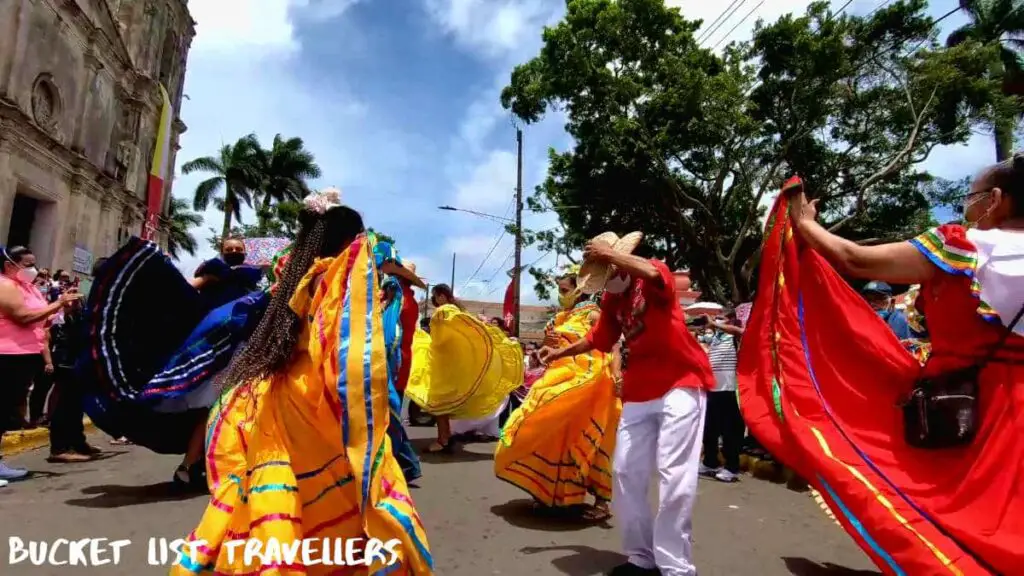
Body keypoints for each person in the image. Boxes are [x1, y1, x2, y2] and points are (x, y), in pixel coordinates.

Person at [740, 166, 1024, 575]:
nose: (968, 207)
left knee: (937, 510)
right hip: (1011, 408)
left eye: (972, 196)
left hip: (967, 406)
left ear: (995, 199)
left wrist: (803, 225)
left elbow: (854, 258)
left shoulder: (964, 247)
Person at [171, 188, 432, 575]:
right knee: (343, 490)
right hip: (317, 395)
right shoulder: (344, 273)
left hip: (279, 393)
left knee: (277, 489)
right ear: (349, 238)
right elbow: (349, 349)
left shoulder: (290, 271)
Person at [538, 232, 714, 576]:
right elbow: (598, 339)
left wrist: (611, 254)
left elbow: (652, 273)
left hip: (682, 381)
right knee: (624, 472)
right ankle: (641, 558)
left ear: (621, 266)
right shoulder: (611, 302)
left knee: (673, 474)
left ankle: (675, 567)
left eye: (609, 273)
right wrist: (559, 352)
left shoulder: (651, 275)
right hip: (639, 390)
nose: (605, 285)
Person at [80, 234, 269, 489]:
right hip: (213, 350)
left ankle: (205, 465)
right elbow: (184, 293)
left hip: (241, 348)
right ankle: (191, 467)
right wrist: (205, 281)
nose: (235, 251)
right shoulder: (214, 274)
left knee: (232, 407)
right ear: (222, 251)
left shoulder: (254, 281)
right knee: (216, 406)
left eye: (238, 249)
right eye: (230, 248)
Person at [495, 271, 621, 522]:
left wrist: (617, 375)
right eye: (560, 290)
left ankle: (602, 502)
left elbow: (614, 344)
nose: (561, 295)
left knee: (591, 438)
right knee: (549, 430)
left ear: (579, 289)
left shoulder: (593, 313)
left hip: (590, 380)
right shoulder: (561, 317)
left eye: (565, 290)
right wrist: (542, 352)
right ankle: (551, 491)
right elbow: (552, 348)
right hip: (559, 377)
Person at [405, 283, 524, 453]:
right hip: (447, 362)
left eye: (435, 295)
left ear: (441, 295)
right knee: (440, 406)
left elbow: (442, 336)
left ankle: (443, 439)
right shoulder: (457, 311)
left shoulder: (444, 311)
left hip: (442, 363)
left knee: (438, 404)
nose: (434, 299)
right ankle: (444, 438)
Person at [0, 246, 81, 486]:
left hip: (26, 354)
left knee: (7, 411)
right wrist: (58, 303)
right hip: (7, 354)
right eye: (27, 264)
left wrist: (64, 308)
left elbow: (43, 320)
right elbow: (22, 316)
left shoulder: (28, 288)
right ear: (9, 265)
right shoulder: (6, 285)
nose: (32, 269)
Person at [374, 238, 426, 482]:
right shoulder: (404, 299)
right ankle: (402, 464)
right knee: (387, 413)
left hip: (394, 361)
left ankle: (407, 464)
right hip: (398, 360)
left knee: (390, 413)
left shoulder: (399, 299)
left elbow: (391, 335)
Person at [46, 287, 100, 462]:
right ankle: (59, 448)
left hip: (77, 363)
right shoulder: (56, 314)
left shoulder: (80, 313)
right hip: (63, 363)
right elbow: (48, 328)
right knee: (62, 406)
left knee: (76, 406)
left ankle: (78, 443)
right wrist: (62, 305)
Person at [699, 309, 745, 483]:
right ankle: (710, 462)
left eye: (721, 319)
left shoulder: (735, 337)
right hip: (713, 389)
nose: (716, 322)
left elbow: (741, 332)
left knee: (730, 432)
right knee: (709, 429)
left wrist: (715, 324)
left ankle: (731, 467)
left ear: (731, 320)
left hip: (730, 389)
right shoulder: (715, 339)